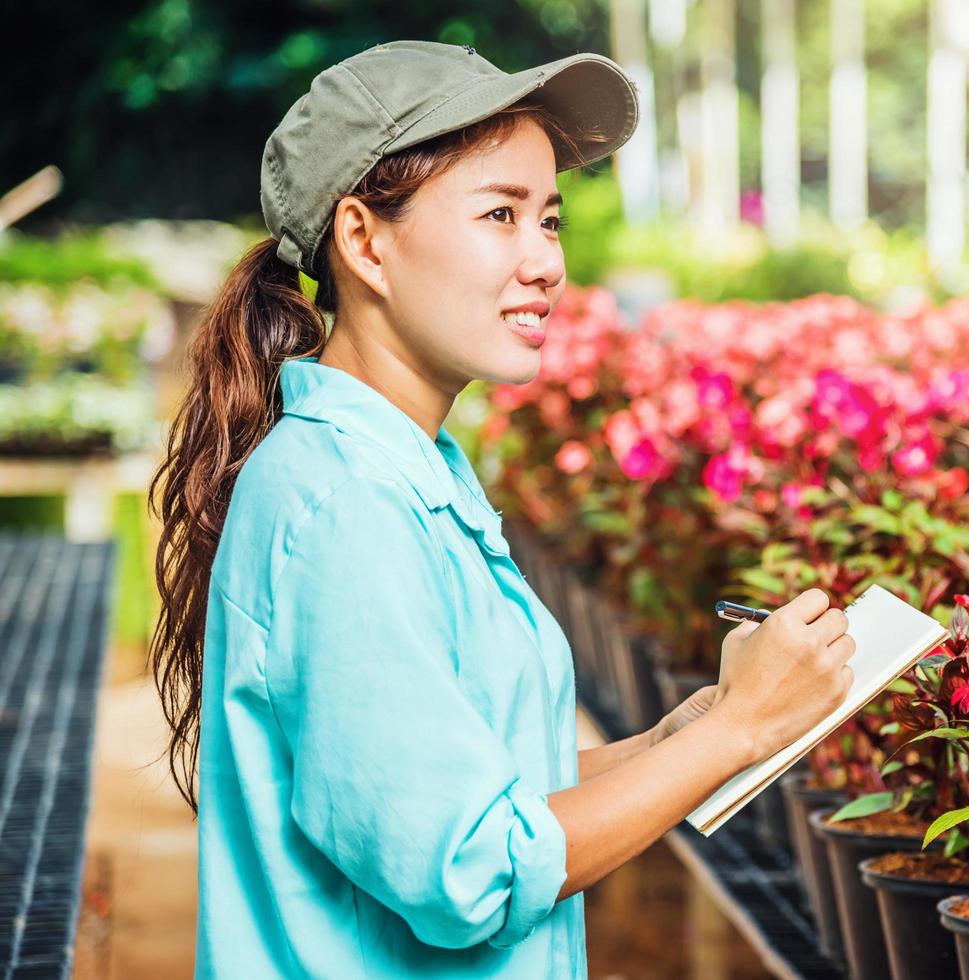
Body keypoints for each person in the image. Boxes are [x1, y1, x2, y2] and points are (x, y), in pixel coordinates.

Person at [147, 40, 856, 979]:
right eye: (500, 214)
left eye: (551, 219)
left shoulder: (410, 467)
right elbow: (469, 873)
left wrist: (680, 738)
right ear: (363, 242)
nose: (546, 263)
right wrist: (738, 732)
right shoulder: (343, 504)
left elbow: (479, 793)